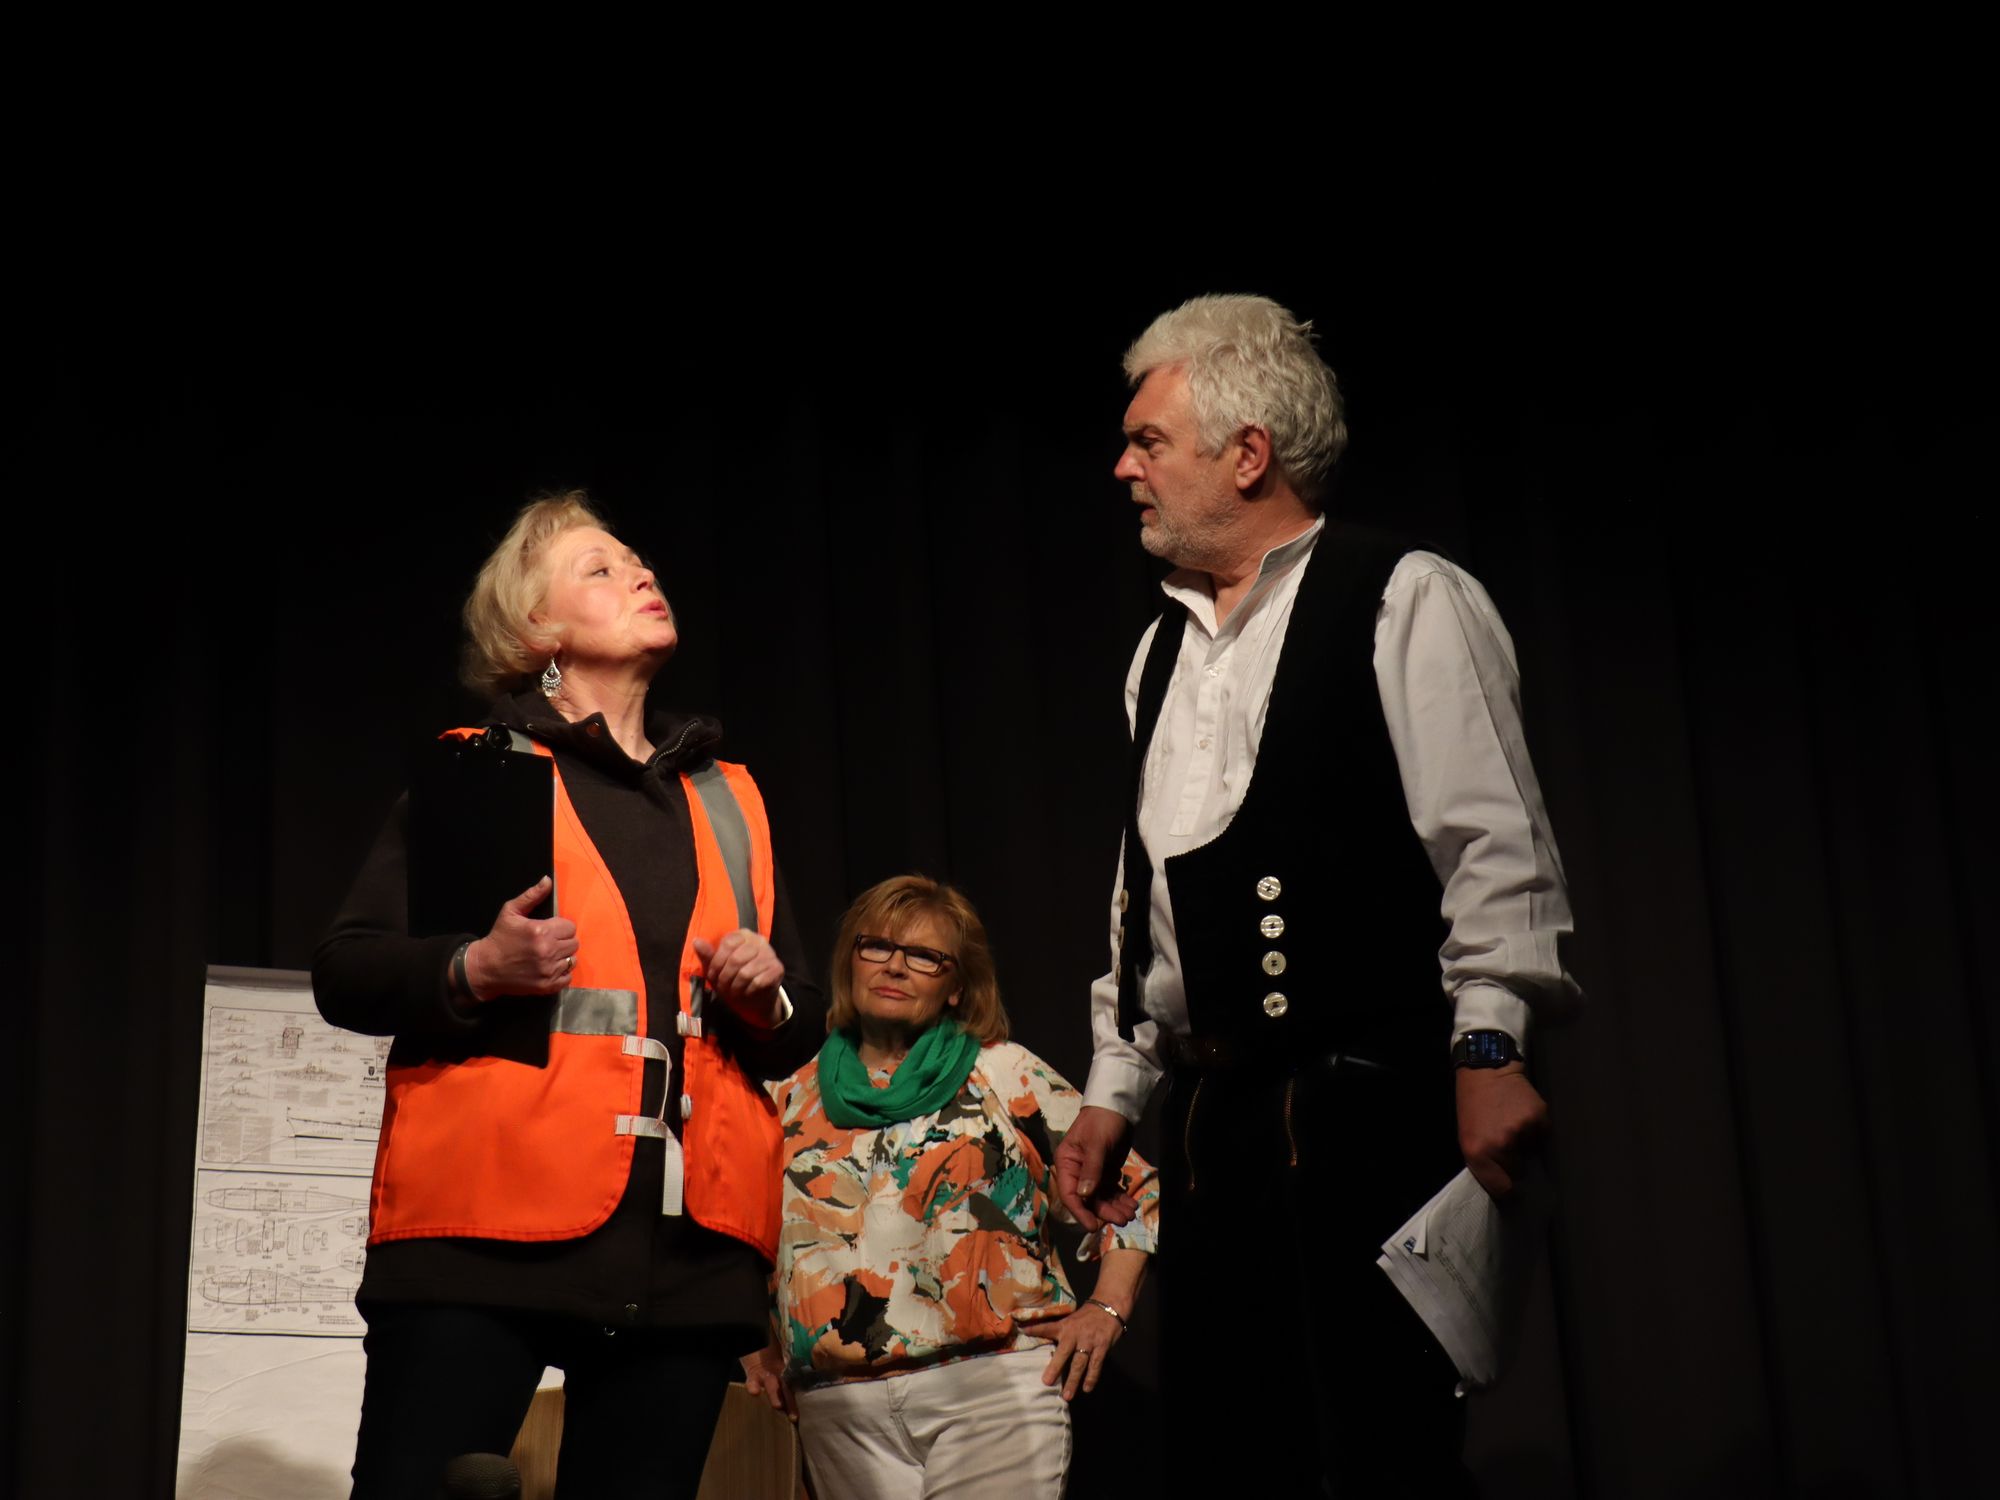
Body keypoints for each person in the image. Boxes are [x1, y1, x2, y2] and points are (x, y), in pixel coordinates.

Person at [1053, 295, 1581, 1495]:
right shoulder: (1158, 653)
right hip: (1212, 1122)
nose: (1123, 468)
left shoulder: (1399, 595)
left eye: (1148, 441)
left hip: (1364, 1103)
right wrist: (1113, 1089)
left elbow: (1491, 846)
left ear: (1247, 454)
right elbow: (1148, 901)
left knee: (1375, 1451)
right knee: (1240, 1458)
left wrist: (1490, 1042)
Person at [314, 491, 822, 1500]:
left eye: (638, 560)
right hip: (486, 1231)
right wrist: (474, 968)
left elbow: (792, 1022)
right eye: (600, 568)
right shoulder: (482, 772)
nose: (641, 574)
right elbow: (348, 967)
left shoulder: (729, 798)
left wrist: (766, 998)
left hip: (686, 1255)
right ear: (536, 629)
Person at [742, 875, 1158, 1500]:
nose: (895, 966)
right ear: (850, 961)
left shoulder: (1004, 1072)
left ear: (957, 985)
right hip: (839, 1411)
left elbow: (1135, 1191)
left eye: (924, 956)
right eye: (877, 946)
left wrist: (1106, 1310)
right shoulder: (787, 1095)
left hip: (991, 1394)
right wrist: (757, 1348)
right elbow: (736, 1234)